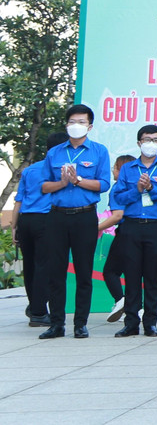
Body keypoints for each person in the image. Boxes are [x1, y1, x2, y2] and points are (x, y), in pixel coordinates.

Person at [38, 104, 112, 339]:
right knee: (55, 272)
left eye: (80, 122)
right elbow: (44, 185)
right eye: (71, 122)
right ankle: (57, 323)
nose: (75, 126)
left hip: (84, 216)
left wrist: (78, 180)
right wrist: (61, 183)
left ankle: (80, 324)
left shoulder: (99, 151)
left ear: (90, 126)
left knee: (83, 271)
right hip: (57, 216)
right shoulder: (55, 153)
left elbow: (103, 185)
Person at [109, 125, 157, 337]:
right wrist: (136, 189)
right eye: (147, 139)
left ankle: (150, 323)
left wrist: (151, 189)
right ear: (139, 143)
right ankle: (130, 322)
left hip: (156, 227)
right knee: (132, 275)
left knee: (152, 276)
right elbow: (119, 197)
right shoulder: (128, 169)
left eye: (155, 140)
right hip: (131, 226)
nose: (151, 144)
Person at [15, 133, 67, 329]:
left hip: (25, 220)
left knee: (30, 266)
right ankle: (38, 312)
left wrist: (14, 226)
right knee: (45, 265)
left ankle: (34, 307)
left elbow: (19, 199)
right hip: (46, 220)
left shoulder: (30, 170)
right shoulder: (59, 170)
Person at [97, 154, 133, 323]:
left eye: (115, 167)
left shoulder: (118, 187)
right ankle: (134, 307)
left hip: (125, 232)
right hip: (142, 231)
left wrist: (95, 228)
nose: (113, 170)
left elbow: (117, 216)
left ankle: (121, 300)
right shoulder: (139, 186)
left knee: (110, 271)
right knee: (134, 272)